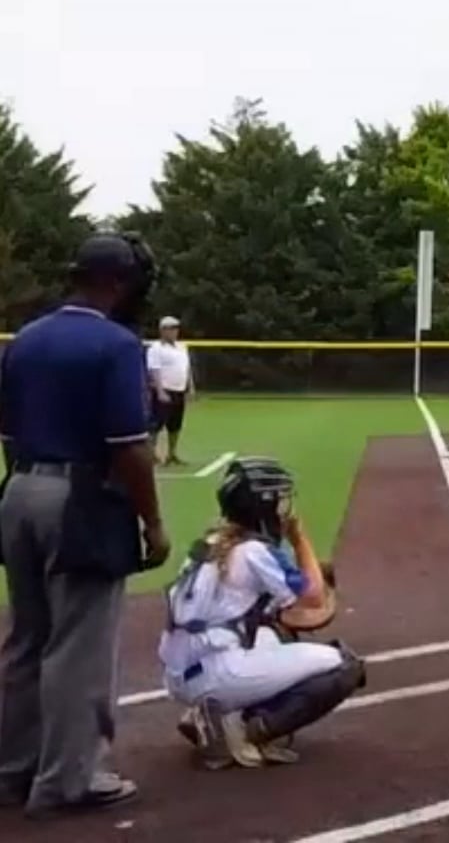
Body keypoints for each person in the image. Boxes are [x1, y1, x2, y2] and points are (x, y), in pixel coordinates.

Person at [0, 233, 169, 819]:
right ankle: (70, 780)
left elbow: (8, 432)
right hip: (78, 497)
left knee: (27, 638)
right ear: (117, 283)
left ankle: (12, 771)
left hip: (18, 490)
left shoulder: (25, 338)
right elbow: (129, 446)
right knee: (78, 647)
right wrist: (152, 521)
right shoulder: (116, 343)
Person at [162, 456, 364, 770]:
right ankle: (242, 729)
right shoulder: (255, 551)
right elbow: (314, 599)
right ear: (264, 507)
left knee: (273, 632)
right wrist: (299, 538)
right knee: (345, 665)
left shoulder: (209, 543)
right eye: (279, 501)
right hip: (216, 672)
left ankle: (206, 716)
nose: (284, 509)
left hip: (180, 671)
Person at [146, 316, 194, 467]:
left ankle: (171, 454)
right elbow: (154, 370)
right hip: (165, 390)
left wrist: (190, 387)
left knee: (175, 425)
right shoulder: (156, 348)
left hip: (179, 390)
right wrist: (160, 391)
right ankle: (151, 455)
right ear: (162, 330)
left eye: (176, 328)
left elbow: (187, 368)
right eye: (170, 328)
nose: (174, 331)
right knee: (156, 425)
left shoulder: (182, 346)